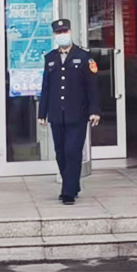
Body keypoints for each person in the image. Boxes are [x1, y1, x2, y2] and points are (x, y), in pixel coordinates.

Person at [38, 18, 101, 204]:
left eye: (64, 31)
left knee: (72, 151)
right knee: (60, 153)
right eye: (58, 32)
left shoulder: (84, 56)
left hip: (78, 113)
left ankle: (68, 192)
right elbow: (46, 87)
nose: (62, 35)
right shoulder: (50, 58)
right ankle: (72, 185)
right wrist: (42, 113)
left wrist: (94, 110)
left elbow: (92, 87)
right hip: (57, 113)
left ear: (71, 32)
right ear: (54, 35)